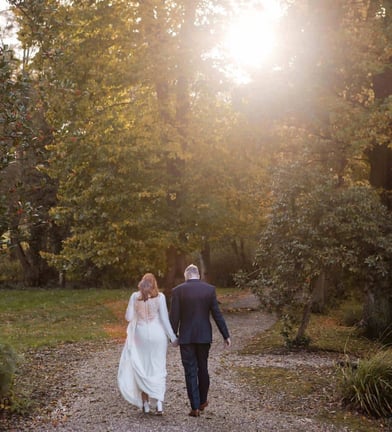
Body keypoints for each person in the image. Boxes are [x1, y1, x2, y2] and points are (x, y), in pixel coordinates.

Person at [169, 264, 231, 417]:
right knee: (203, 368)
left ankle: (195, 407)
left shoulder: (178, 291)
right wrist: (226, 335)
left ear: (186, 275)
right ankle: (203, 400)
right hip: (204, 336)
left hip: (186, 337)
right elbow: (217, 314)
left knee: (190, 371)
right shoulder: (209, 290)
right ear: (198, 275)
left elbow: (174, 317)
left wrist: (172, 337)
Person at [117, 273, 177, 415]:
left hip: (141, 336)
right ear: (154, 283)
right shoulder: (160, 297)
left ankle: (145, 404)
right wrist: (173, 338)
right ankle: (159, 403)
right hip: (158, 336)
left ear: (142, 283)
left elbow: (128, 317)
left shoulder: (134, 296)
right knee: (158, 366)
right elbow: (164, 319)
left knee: (143, 368)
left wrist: (132, 306)